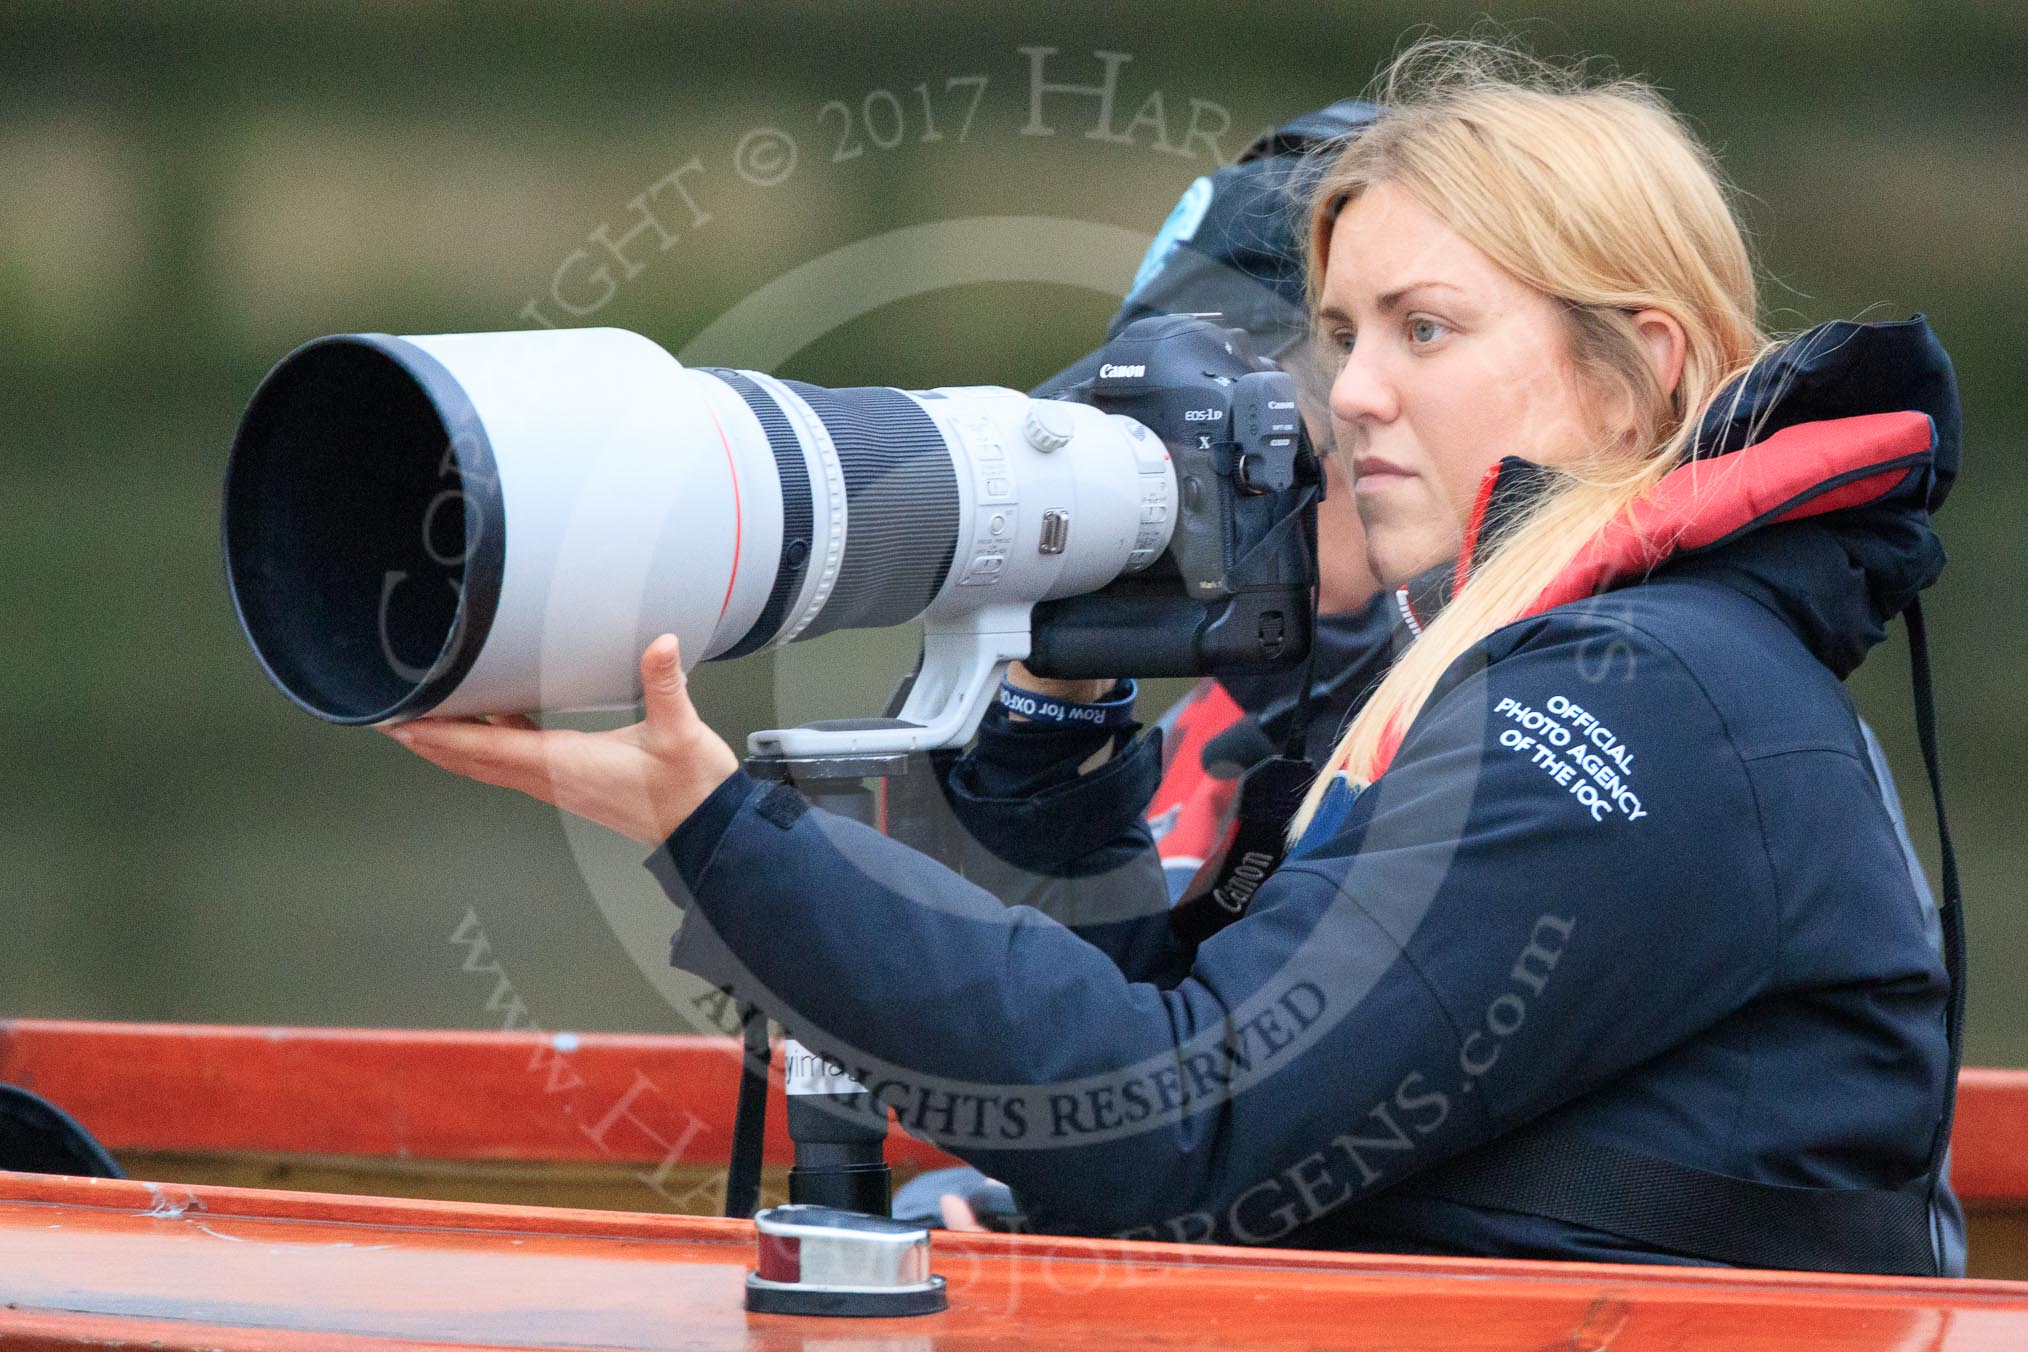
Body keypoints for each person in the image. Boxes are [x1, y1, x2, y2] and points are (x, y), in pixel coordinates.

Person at [384, 38, 1964, 1274]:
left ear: (1639, 377)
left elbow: (1180, 1124)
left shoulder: (1645, 702)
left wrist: (710, 824)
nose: (1346, 397)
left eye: (1425, 329)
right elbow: (1214, 1032)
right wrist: (1050, 737)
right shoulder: (1579, 662)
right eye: (1342, 334)